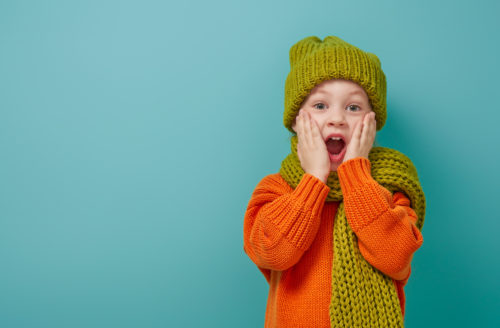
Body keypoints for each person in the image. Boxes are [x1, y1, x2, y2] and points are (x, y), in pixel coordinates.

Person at [243, 35, 426, 328]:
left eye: (353, 108)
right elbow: (273, 254)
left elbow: (395, 257)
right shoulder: (277, 189)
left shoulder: (392, 188)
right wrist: (314, 179)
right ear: (295, 120)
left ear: (373, 121)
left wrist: (356, 174)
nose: (337, 118)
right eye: (320, 105)